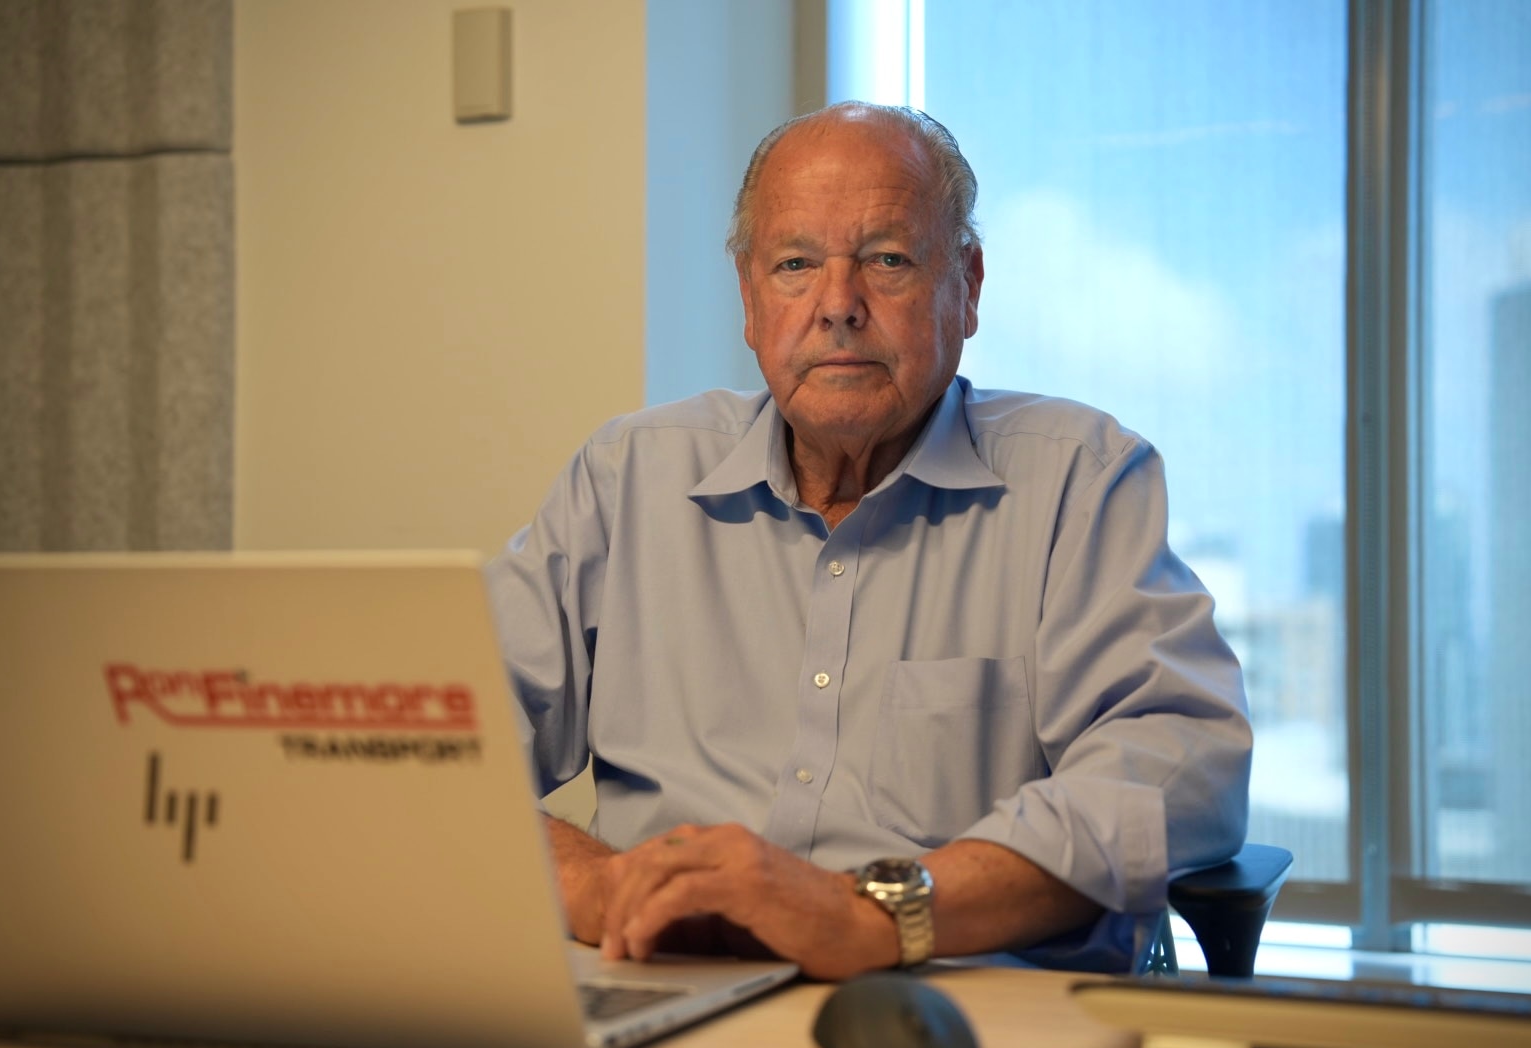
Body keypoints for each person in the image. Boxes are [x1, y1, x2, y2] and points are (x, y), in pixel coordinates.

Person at [486, 101, 1251, 979]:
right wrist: (601, 887)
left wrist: (879, 914)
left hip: (950, 1003)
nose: (837, 306)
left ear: (967, 286)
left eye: (887, 260)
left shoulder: (1077, 479)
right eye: (795, 265)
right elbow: (444, 752)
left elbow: (1183, 770)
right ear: (748, 296)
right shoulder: (627, 479)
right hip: (652, 984)